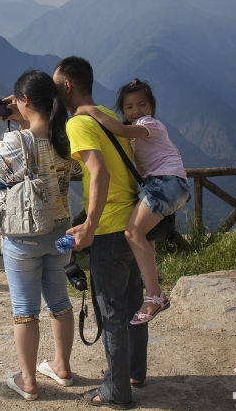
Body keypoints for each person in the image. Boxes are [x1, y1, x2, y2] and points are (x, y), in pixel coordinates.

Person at [0, 70, 75, 401]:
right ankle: (62, 368)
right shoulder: (65, 138)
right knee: (59, 301)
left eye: (16, 100)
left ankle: (28, 381)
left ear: (25, 101)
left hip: (24, 236)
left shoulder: (16, 142)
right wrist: (26, 118)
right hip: (60, 232)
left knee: (25, 310)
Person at [53, 56, 148, 409]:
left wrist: (90, 226)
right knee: (134, 305)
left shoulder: (78, 123)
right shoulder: (107, 114)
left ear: (66, 87)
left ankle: (116, 391)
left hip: (108, 229)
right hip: (134, 224)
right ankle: (134, 373)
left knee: (111, 312)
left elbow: (100, 173)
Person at [75, 79, 190, 325]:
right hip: (166, 184)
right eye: (129, 107)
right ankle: (153, 275)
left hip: (166, 182)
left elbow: (122, 131)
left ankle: (154, 296)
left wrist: (92, 111)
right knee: (144, 234)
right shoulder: (139, 130)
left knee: (132, 232)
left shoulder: (149, 124)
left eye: (142, 105)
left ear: (151, 107)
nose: (136, 111)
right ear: (123, 110)